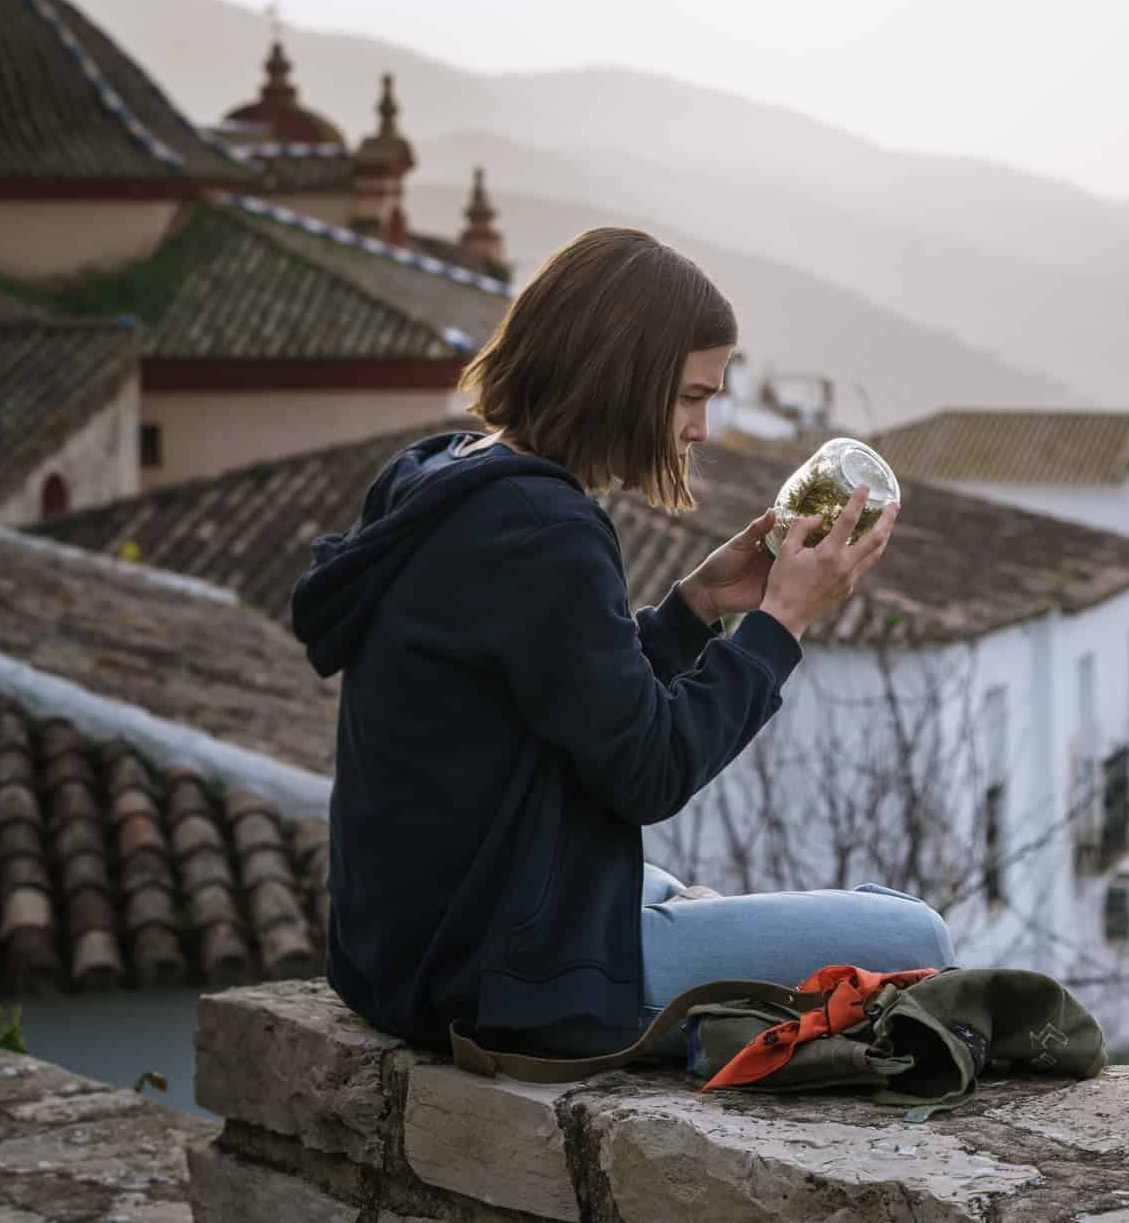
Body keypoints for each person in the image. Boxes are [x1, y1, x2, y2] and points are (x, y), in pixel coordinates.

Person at [290, 227, 953, 1057]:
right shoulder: (546, 529)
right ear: (617, 379)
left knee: (679, 893)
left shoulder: (441, 476)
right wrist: (781, 625)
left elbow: (570, 694)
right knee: (914, 938)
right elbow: (648, 771)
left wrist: (698, 606)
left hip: (400, 951)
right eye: (689, 397)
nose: (702, 428)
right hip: (502, 980)